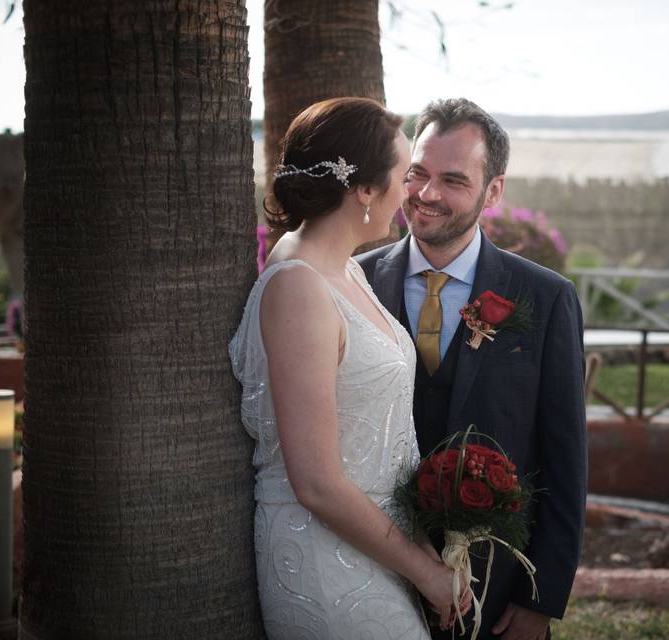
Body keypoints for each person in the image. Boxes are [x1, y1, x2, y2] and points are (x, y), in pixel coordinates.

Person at [229, 97, 469, 639]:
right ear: (363, 189)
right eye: (403, 175)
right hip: (322, 559)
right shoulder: (297, 287)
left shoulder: (344, 271)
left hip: (378, 547)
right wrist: (427, 573)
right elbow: (315, 482)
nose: (410, 194)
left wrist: (422, 550)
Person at [357, 98, 587, 640]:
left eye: (454, 180)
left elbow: (565, 459)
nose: (428, 194)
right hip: (372, 571)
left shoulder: (546, 298)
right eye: (418, 174)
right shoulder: (354, 282)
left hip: (497, 586)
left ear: (494, 191)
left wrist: (540, 599)